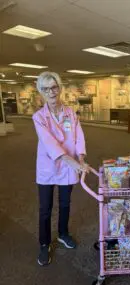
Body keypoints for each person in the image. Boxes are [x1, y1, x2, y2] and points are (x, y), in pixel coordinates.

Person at [32, 71, 88, 266]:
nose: (51, 92)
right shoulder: (39, 117)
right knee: (45, 209)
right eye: (46, 89)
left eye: (54, 87)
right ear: (41, 91)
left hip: (68, 167)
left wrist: (80, 158)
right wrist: (73, 163)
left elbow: (79, 137)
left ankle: (63, 233)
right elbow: (50, 144)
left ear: (60, 88)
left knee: (65, 203)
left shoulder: (70, 113)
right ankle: (44, 243)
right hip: (48, 167)